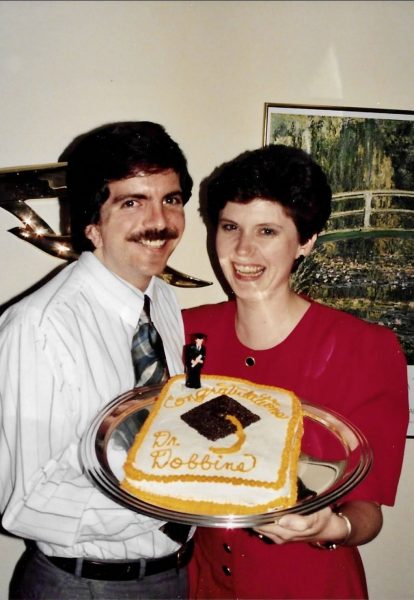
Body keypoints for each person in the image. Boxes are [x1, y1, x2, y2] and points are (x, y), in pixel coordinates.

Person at [183, 144, 409, 599]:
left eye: (267, 230)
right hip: (201, 585)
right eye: (230, 227)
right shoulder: (187, 332)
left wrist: (332, 527)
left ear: (306, 241)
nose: (243, 250)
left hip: (308, 585)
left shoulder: (366, 350)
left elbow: (368, 510)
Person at [0, 121, 194, 599]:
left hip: (173, 576)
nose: (160, 221)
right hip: (83, 586)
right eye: (132, 202)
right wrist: (175, 501)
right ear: (92, 224)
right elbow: (26, 503)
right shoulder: (39, 327)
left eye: (170, 199)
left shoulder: (163, 301)